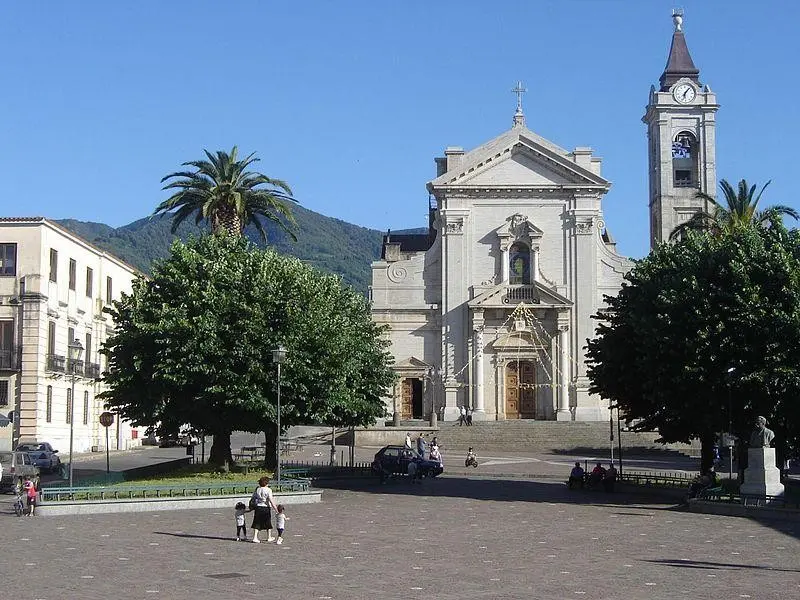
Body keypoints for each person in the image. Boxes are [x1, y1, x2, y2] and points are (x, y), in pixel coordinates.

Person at [250, 476, 279, 543]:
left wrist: (252, 506)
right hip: (266, 507)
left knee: (257, 522)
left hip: (258, 507)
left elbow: (253, 498)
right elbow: (271, 500)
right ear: (266, 483)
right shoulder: (268, 490)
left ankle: (255, 537)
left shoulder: (257, 489)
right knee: (267, 522)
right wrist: (276, 509)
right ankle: (269, 537)